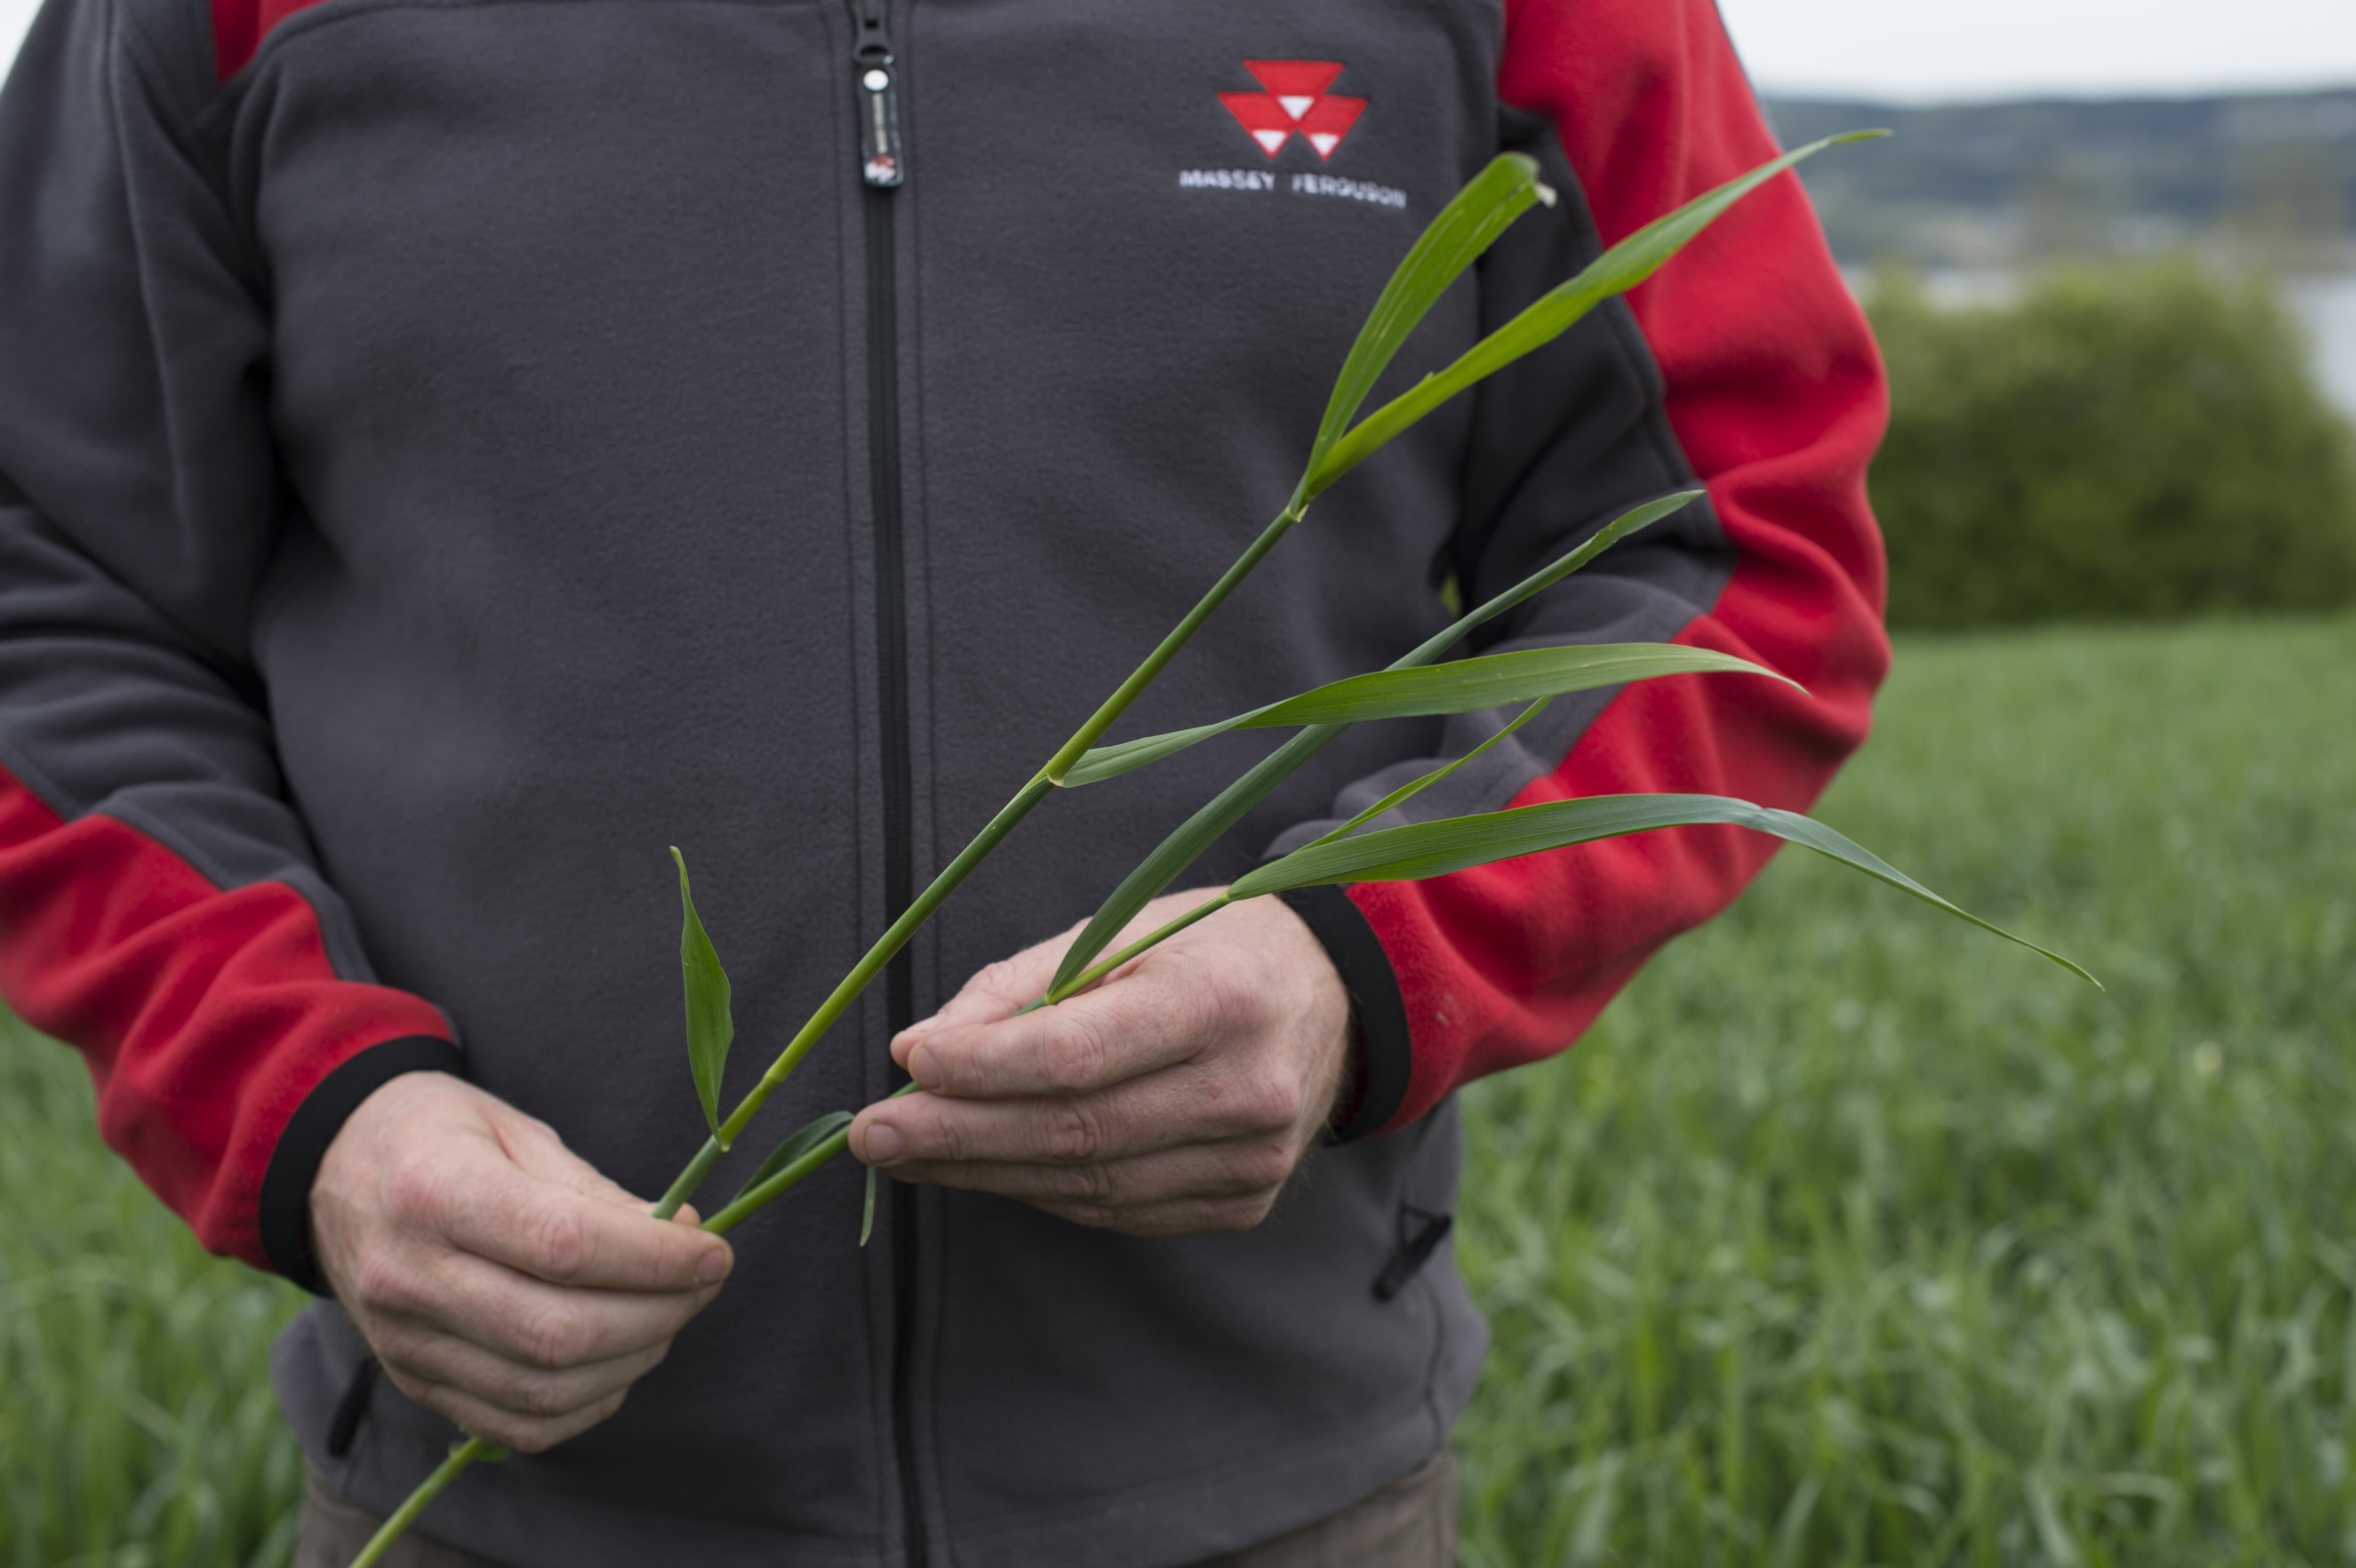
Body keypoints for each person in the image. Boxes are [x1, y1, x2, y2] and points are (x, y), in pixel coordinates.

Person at [0, 0, 1888, 1561]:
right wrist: (315, 1107)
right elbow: (46, 598)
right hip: (492, 1500)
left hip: (1272, 1498)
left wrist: (1355, 955)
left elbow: (1734, 555)